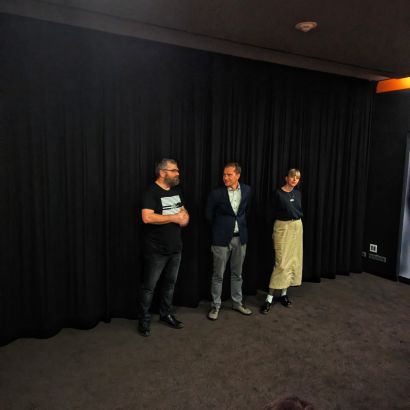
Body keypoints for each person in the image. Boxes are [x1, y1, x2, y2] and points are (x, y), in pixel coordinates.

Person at [138, 158, 189, 337]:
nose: (177, 173)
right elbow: (147, 217)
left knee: (169, 285)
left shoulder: (176, 191)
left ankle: (165, 314)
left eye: (177, 170)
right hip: (156, 250)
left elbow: (183, 211)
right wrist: (174, 218)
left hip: (176, 248)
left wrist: (185, 217)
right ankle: (144, 320)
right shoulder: (150, 192)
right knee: (149, 287)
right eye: (174, 170)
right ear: (162, 172)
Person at [206, 162, 252, 320]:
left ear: (238, 175)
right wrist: (222, 227)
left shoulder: (247, 190)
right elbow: (208, 215)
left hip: (240, 238)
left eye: (229, 174)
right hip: (220, 240)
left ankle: (237, 303)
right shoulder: (216, 193)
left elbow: (245, 211)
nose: (225, 177)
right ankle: (215, 306)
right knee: (218, 275)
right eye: (224, 174)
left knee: (237, 274)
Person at [260, 168, 303, 314]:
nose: (294, 180)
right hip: (282, 228)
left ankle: (284, 294)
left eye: (297, 178)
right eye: (292, 177)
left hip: (297, 227)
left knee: (293, 260)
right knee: (282, 263)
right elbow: (269, 213)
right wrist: (273, 231)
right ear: (286, 178)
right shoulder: (278, 194)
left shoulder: (298, 193)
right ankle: (269, 299)